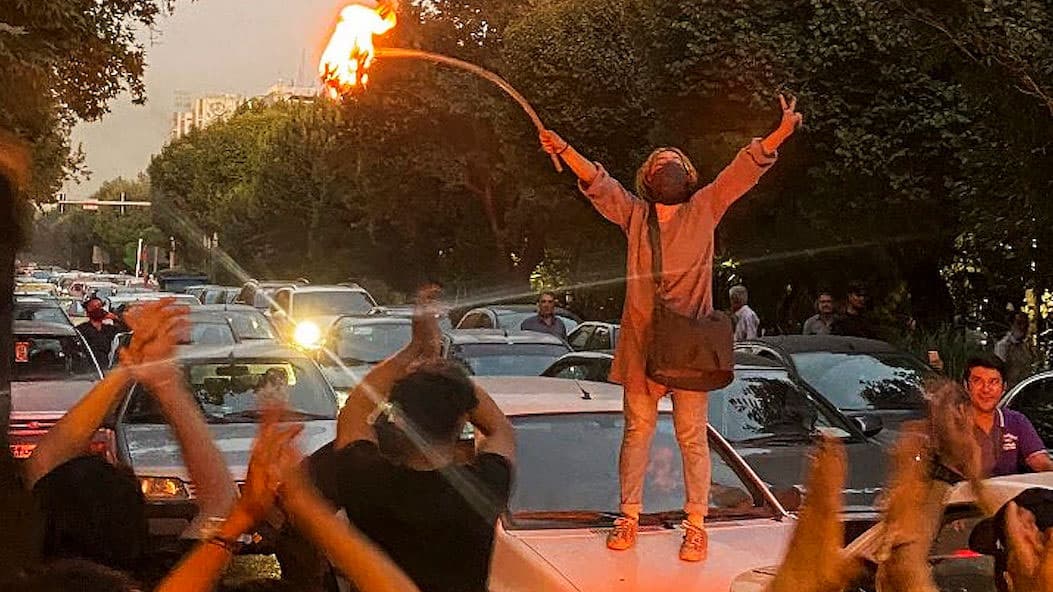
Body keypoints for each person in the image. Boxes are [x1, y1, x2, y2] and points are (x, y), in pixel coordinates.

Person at [539, 94, 802, 561]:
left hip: (691, 351)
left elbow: (742, 171)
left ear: (689, 175)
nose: (668, 165)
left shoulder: (705, 208)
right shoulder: (635, 216)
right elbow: (598, 181)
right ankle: (628, 517)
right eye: (661, 162)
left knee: (691, 438)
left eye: (675, 160)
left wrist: (781, 132)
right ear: (648, 178)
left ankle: (695, 524)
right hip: (643, 348)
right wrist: (562, 150)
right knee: (636, 433)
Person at [290, 287, 516, 592]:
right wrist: (444, 372)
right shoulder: (483, 488)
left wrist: (416, 349)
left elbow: (356, 409)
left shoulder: (367, 481)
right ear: (462, 418)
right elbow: (499, 428)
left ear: (399, 420)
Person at [964, 354, 1053, 477]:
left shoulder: (1016, 421)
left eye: (993, 382)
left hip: (1007, 494)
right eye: (977, 381)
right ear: (966, 386)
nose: (986, 389)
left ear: (1004, 387)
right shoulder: (949, 422)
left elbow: (1038, 460)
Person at [994, 312, 1037, 387]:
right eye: (1019, 323)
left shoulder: (1025, 347)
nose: (1023, 327)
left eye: (1025, 324)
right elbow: (998, 372)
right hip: (1009, 391)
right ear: (1012, 325)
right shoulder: (1003, 346)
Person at [75, 297, 119, 368]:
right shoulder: (81, 329)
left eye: (99, 306)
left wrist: (115, 318)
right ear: (87, 311)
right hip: (87, 369)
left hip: (106, 368)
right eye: (94, 307)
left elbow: (127, 331)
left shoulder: (109, 329)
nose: (98, 309)